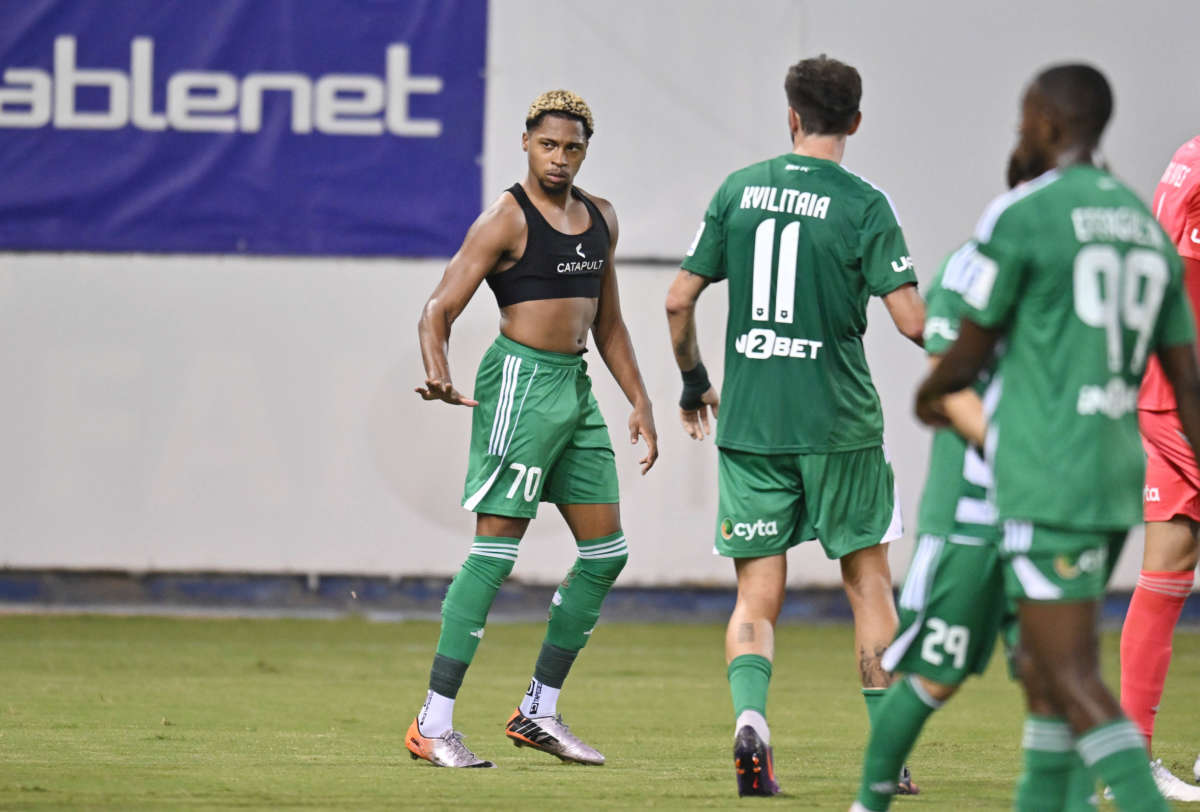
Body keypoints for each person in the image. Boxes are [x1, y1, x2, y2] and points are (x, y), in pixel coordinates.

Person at [915, 63, 1200, 812]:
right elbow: (1180, 362)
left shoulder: (1026, 215)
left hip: (1052, 472)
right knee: (1055, 671)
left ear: (1044, 122)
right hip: (1120, 458)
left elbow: (961, 358)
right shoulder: (1139, 215)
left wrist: (936, 392)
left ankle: (873, 797)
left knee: (1061, 669)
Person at [665, 54, 925, 797]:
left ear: (791, 116)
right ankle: (887, 755)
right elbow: (913, 322)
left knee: (756, 595)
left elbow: (678, 299)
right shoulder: (865, 203)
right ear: (856, 121)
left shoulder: (739, 190)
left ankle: (751, 721)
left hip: (752, 424)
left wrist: (694, 383)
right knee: (869, 586)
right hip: (841, 427)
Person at [406, 90, 658, 768]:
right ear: (525, 143)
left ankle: (537, 711)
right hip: (519, 385)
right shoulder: (505, 219)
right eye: (548, 144)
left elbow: (609, 323)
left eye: (572, 147)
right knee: (494, 553)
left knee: (606, 555)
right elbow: (437, 309)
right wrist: (437, 370)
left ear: (585, 151)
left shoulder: (601, 217)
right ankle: (432, 723)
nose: (559, 158)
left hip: (575, 388)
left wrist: (640, 400)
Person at [852, 153, 1096, 812]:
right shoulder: (977, 260)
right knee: (933, 672)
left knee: (1058, 677)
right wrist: (1011, 453)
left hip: (1044, 513)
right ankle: (869, 800)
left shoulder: (1078, 271)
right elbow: (941, 370)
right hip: (972, 510)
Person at [1120, 134, 1200, 801]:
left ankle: (1130, 762)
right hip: (1183, 399)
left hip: (1171, 393)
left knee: (1168, 568)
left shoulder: (1190, 157)